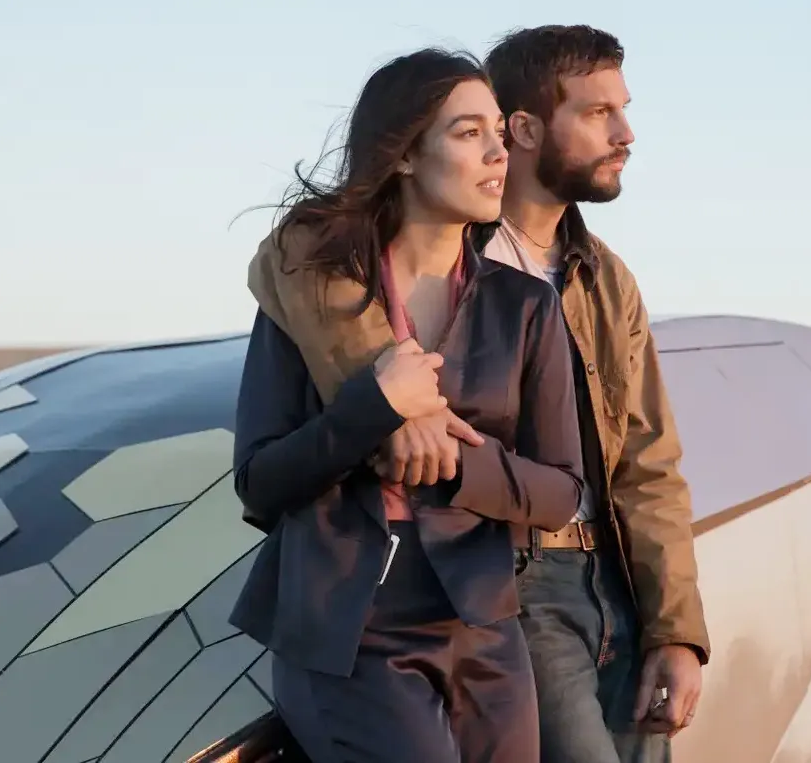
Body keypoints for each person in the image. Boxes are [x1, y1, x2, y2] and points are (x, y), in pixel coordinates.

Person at [226, 46, 586, 763]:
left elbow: (563, 492)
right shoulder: (308, 300)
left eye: (497, 132)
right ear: (403, 156)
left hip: (483, 628)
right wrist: (373, 409)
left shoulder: (525, 307)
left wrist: (452, 465)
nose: (497, 153)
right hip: (347, 631)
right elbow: (259, 481)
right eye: (466, 132)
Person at [471, 25, 712, 763]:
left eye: (623, 109)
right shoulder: (445, 260)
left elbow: (647, 461)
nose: (626, 133)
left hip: (615, 584)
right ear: (524, 127)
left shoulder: (606, 279)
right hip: (514, 583)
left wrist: (675, 631)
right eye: (597, 112)